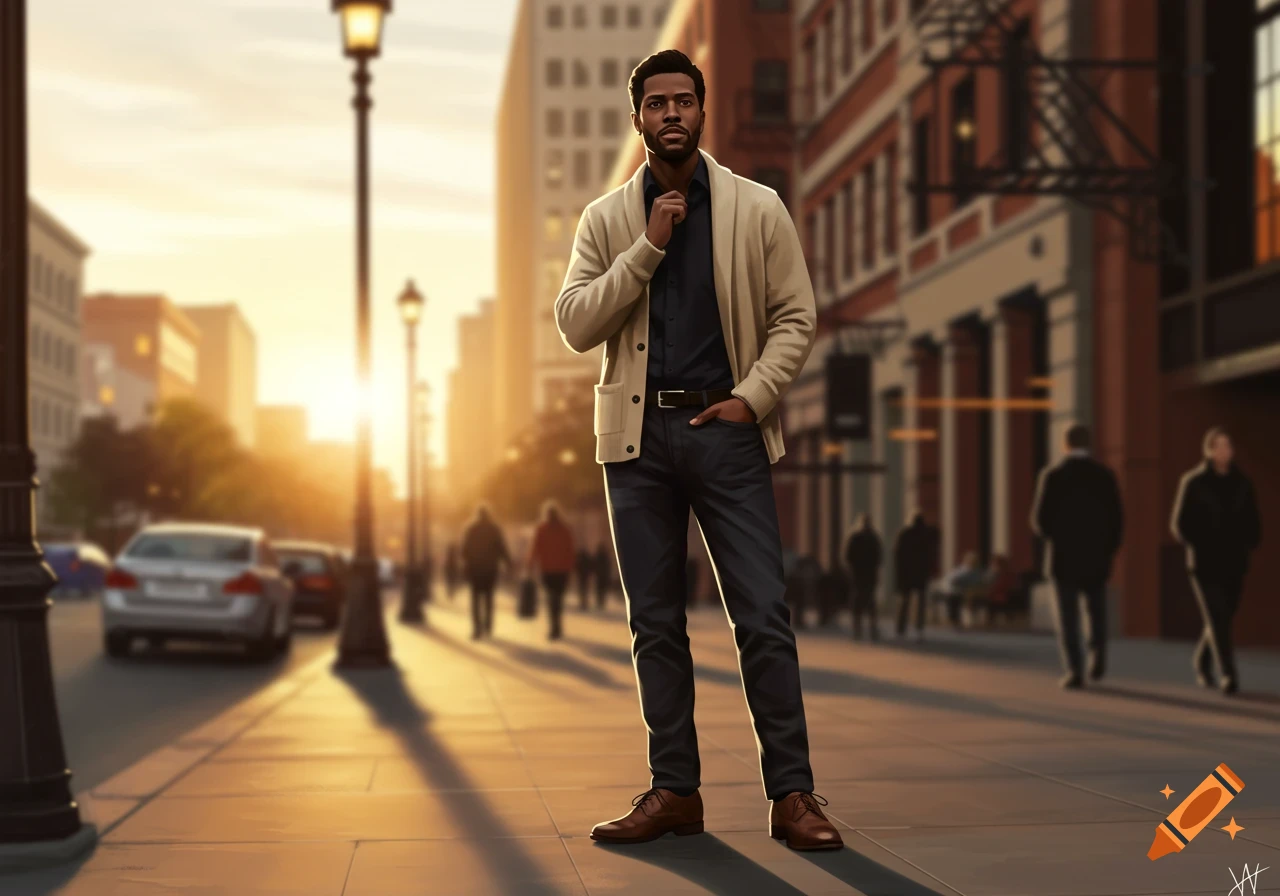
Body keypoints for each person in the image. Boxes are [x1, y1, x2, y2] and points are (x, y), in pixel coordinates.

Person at [554, 50, 842, 851]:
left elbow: (796, 315)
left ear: (702, 111)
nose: (672, 113)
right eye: (657, 103)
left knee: (762, 616)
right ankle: (675, 790)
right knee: (655, 625)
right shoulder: (605, 219)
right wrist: (645, 247)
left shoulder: (758, 209)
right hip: (636, 442)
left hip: (726, 433)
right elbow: (576, 323)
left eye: (685, 100)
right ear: (637, 117)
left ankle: (793, 796)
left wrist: (752, 399)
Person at [1031, 423, 1124, 689]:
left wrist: (1060, 536)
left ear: (1066, 445)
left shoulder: (1053, 476)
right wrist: (1108, 548)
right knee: (1096, 612)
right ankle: (1098, 657)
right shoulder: (1106, 476)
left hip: (1063, 558)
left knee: (1068, 617)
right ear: (1089, 444)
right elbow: (1118, 519)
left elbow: (1039, 521)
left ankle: (1075, 670)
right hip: (1097, 557)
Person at [1171, 427, 1261, 695]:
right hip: (1204, 563)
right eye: (1219, 446)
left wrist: (1250, 541)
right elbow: (1179, 524)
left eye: (1228, 446)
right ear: (1209, 450)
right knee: (1218, 617)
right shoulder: (1193, 481)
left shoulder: (1243, 483)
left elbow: (1253, 519)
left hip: (1235, 561)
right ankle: (1229, 674)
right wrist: (1201, 542)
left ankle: (1202, 658)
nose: (1225, 451)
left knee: (1224, 616)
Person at [459, 504, 511, 639]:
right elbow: (501, 548)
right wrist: (508, 563)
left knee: (475, 599)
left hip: (475, 569)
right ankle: (488, 626)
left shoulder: (470, 529)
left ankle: (477, 628)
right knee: (488, 598)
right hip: (490, 569)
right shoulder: (494, 529)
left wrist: (465, 563)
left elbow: (464, 550)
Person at [527, 501, 576, 640]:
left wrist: (530, 564)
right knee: (558, 599)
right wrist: (571, 568)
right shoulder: (565, 529)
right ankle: (557, 625)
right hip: (562, 571)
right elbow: (570, 551)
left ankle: (554, 626)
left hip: (547, 570)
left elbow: (535, 548)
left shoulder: (542, 529)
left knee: (551, 598)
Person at [894, 512, 938, 639]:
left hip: (907, 574)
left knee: (904, 602)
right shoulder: (925, 534)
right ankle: (919, 628)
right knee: (920, 603)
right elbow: (931, 555)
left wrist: (899, 574)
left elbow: (898, 555)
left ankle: (901, 629)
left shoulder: (904, 534)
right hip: (920, 574)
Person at [843, 513, 881, 640]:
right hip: (867, 575)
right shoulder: (872, 538)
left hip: (859, 575)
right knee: (869, 602)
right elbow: (879, 557)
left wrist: (852, 569)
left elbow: (848, 556)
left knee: (859, 603)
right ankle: (871, 629)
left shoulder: (855, 537)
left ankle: (858, 629)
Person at [940, 552, 987, 627]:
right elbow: (951, 579)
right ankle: (953, 619)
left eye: (973, 561)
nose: (970, 562)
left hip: (964, 592)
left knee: (953, 597)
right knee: (951, 596)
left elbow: (976, 582)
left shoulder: (975, 571)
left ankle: (954, 619)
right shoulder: (963, 569)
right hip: (953, 589)